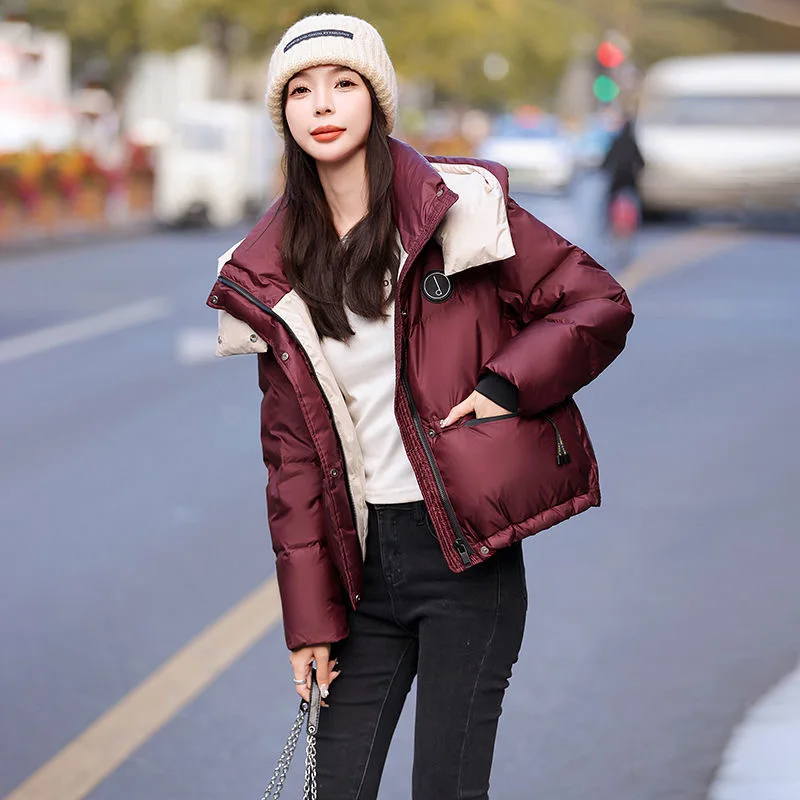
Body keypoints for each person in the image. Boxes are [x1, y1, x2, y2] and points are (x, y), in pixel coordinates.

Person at [207, 13, 634, 799]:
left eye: (343, 83)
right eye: (300, 91)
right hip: (364, 569)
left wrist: (506, 385)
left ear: (377, 99)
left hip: (466, 559)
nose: (322, 104)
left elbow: (596, 303)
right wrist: (309, 624)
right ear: (282, 114)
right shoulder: (270, 267)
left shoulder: (460, 209)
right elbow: (292, 462)